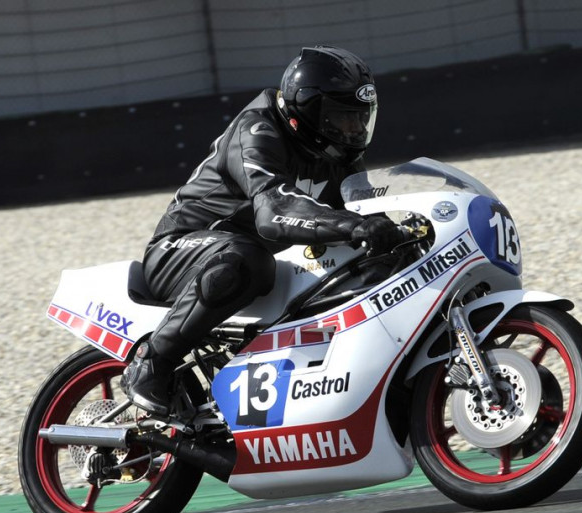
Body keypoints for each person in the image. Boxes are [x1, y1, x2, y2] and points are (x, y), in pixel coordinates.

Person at [121, 45, 404, 416]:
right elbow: (274, 211)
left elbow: (371, 219)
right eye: (342, 118)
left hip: (253, 265)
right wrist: (355, 226)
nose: (353, 130)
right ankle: (150, 362)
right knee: (246, 259)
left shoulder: (338, 155)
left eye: (359, 119)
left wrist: (400, 236)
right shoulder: (257, 130)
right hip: (179, 251)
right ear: (308, 110)